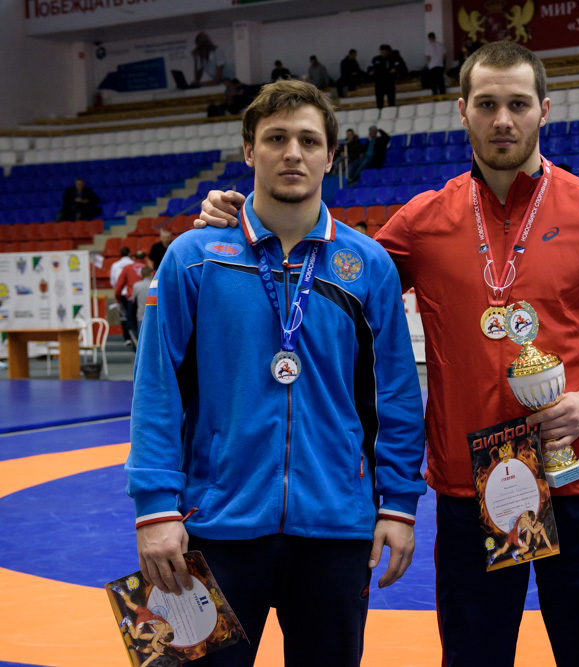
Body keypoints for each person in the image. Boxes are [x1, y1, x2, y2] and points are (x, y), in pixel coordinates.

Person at [197, 41, 579, 667]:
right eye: (487, 104)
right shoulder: (422, 221)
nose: (503, 119)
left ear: (544, 111)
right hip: (467, 486)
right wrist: (243, 223)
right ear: (462, 110)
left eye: (518, 104)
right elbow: (328, 267)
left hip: (578, 478)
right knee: (473, 655)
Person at [126, 79, 426, 667]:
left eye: (309, 140)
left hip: (338, 527)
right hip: (212, 525)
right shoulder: (195, 257)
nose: (293, 152)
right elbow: (156, 387)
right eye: (277, 138)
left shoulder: (367, 266)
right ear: (248, 149)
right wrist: (155, 508)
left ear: (331, 156)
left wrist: (398, 504)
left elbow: (394, 392)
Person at [114, 250, 147, 347]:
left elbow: (119, 286)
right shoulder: (148, 269)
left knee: (132, 324)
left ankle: (137, 345)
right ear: (144, 258)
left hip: (131, 300)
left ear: (134, 257)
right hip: (146, 299)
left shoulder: (127, 268)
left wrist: (118, 298)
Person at [368, 44, 402, 109]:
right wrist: (371, 72)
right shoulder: (376, 59)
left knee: (391, 100)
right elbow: (370, 67)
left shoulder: (392, 58)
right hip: (379, 82)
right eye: (382, 51)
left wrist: (394, 70)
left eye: (384, 51)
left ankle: (391, 111)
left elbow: (398, 67)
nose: (383, 52)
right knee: (379, 100)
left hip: (389, 82)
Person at [132, 266, 153, 332]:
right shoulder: (156, 284)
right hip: (154, 315)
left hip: (141, 315)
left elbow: (133, 301)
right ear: (151, 274)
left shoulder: (136, 285)